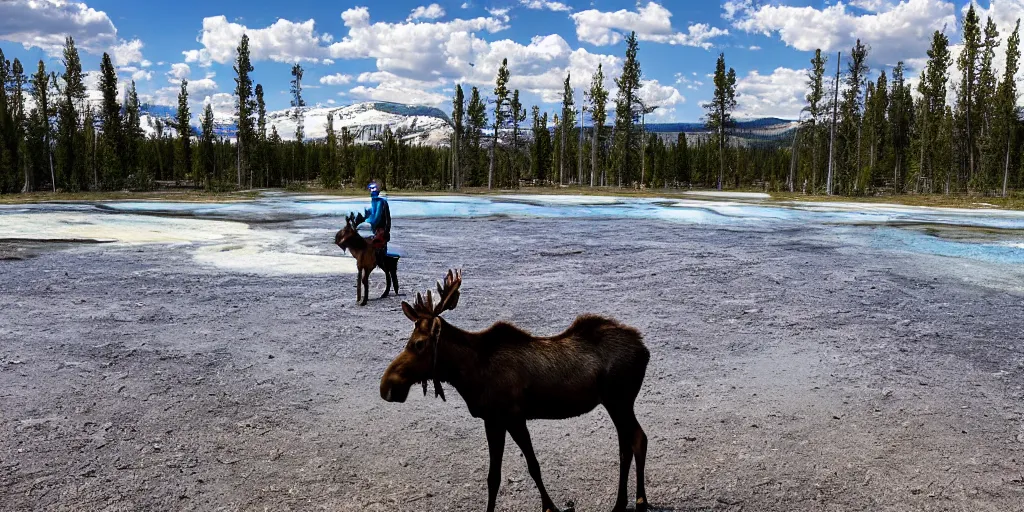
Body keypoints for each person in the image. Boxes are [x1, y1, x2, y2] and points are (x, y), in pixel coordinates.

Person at [357, 180, 391, 262]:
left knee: (376, 243)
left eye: (374, 188)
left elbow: (377, 217)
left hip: (381, 229)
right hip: (376, 227)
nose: (372, 190)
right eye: (370, 188)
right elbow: (373, 214)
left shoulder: (381, 202)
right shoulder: (374, 201)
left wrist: (366, 221)